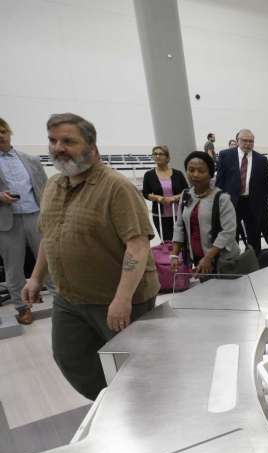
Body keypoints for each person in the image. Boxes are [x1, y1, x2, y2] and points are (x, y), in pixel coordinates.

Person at [21, 113, 159, 400]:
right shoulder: (53, 186)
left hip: (116, 298)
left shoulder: (116, 187)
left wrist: (122, 299)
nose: (58, 147)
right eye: (53, 140)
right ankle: (111, 405)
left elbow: (137, 246)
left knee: (136, 365)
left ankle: (145, 411)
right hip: (69, 298)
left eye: (68, 141)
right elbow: (50, 236)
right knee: (71, 358)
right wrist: (35, 277)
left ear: (92, 147)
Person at [0, 116, 47, 325]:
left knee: (49, 260)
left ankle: (66, 302)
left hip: (36, 215)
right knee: (13, 267)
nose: (0, 136)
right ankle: (22, 307)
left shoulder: (31, 160)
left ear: (9, 133)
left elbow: (46, 188)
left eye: (2, 131)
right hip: (6, 221)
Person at [170, 151, 239, 276]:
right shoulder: (185, 195)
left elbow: (228, 232)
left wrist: (208, 258)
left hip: (223, 261)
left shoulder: (222, 198)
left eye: (201, 171)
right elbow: (179, 226)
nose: (195, 175)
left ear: (210, 174)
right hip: (199, 259)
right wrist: (174, 254)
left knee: (226, 294)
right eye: (191, 170)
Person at [215, 129, 268, 255]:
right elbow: (220, 181)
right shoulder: (226, 155)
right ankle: (232, 259)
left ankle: (254, 259)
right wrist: (217, 201)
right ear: (237, 140)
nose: (247, 144)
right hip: (231, 203)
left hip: (252, 202)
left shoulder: (261, 159)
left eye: (251, 141)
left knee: (254, 234)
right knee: (231, 233)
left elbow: (267, 183)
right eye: (244, 141)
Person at [142, 145, 188, 242]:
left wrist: (174, 198)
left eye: (161, 154)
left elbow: (187, 191)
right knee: (167, 241)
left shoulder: (178, 174)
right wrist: (157, 198)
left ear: (167, 157)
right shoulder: (149, 175)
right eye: (155, 154)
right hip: (159, 216)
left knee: (181, 241)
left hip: (179, 214)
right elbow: (146, 193)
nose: (157, 156)